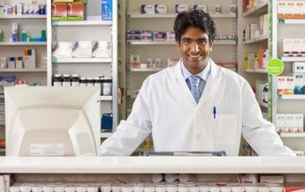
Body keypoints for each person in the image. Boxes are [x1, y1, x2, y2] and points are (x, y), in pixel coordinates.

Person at [101, 10, 295, 156]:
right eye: (187, 41)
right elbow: (133, 129)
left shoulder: (236, 85)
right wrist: (99, 160)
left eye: (201, 41)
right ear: (178, 44)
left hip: (219, 180)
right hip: (171, 180)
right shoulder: (155, 85)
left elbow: (258, 130)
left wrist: (290, 163)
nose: (194, 49)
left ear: (211, 44)